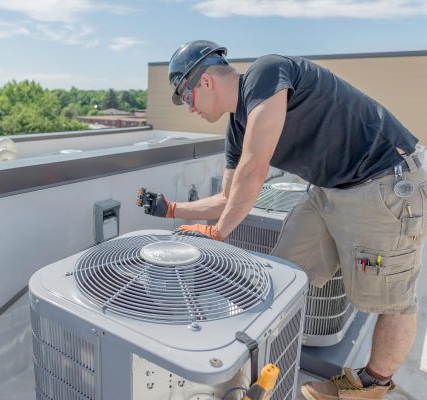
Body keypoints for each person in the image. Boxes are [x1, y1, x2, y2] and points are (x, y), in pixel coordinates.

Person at [141, 40, 426, 400]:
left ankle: (372, 384)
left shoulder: (266, 71)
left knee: (392, 299)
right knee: (284, 272)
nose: (188, 108)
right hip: (330, 189)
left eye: (186, 97)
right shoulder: (237, 129)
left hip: (385, 178)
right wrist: (170, 208)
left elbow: (254, 167)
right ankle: (260, 366)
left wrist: (218, 232)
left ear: (205, 82)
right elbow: (229, 197)